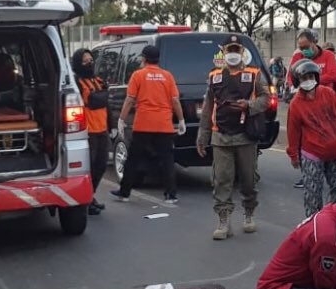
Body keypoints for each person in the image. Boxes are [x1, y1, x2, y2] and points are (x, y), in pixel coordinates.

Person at [197, 35, 270, 240]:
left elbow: (266, 98)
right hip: (220, 136)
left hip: (245, 136)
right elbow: (207, 107)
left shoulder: (254, 74)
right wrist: (202, 135)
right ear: (224, 53)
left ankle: (248, 213)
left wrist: (250, 105)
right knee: (222, 180)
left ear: (241, 53)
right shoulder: (215, 76)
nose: (232, 55)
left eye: (236, 51)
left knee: (248, 180)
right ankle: (223, 221)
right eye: (229, 50)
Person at [110, 45, 184, 204]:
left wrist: (121, 119)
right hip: (164, 125)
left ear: (143, 59)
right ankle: (171, 195)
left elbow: (130, 99)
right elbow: (175, 101)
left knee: (133, 159)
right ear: (158, 59)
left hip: (143, 124)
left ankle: (124, 193)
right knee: (167, 160)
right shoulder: (167, 76)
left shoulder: (138, 75)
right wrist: (181, 120)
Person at [287, 60, 336, 217]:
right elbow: (293, 133)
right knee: (312, 195)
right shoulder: (295, 104)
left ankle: (334, 222)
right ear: (298, 81)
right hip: (312, 154)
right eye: (304, 78)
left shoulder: (328, 94)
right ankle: (313, 226)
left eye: (310, 76)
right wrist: (294, 156)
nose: (308, 80)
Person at [71, 49, 109, 216]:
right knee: (89, 168)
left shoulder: (100, 81)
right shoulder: (76, 84)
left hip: (102, 130)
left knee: (101, 166)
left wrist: (112, 126)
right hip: (88, 132)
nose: (89, 63)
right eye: (85, 61)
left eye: (91, 60)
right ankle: (86, 200)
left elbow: (106, 106)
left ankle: (90, 196)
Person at [287, 29, 336, 94]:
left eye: (306, 47)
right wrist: (292, 86)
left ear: (313, 42)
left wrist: (312, 81)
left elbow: (333, 75)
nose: (304, 50)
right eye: (301, 48)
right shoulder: (297, 57)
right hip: (304, 97)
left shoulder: (328, 55)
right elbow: (291, 76)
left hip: (325, 97)